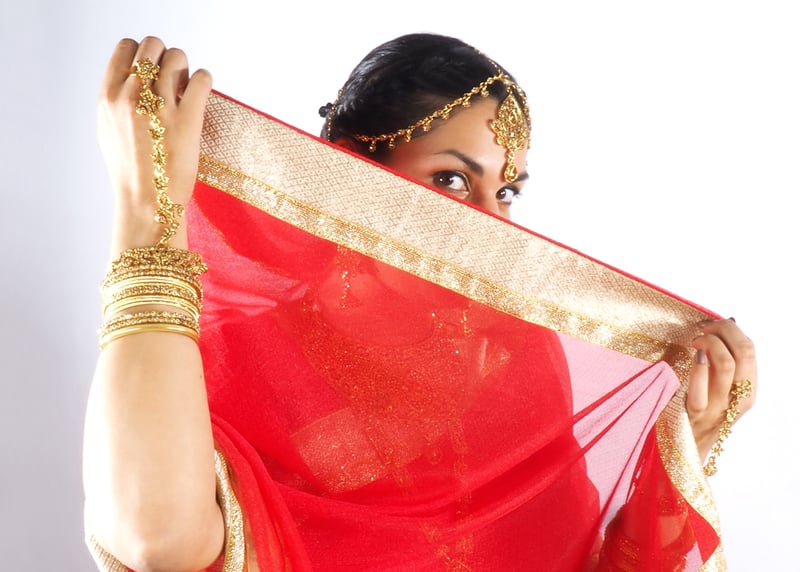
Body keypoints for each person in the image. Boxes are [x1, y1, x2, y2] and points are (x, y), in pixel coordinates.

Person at [83, 33, 757, 571]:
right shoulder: (240, 362)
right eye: (453, 182)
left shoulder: (515, 364)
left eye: (507, 193)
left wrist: (682, 447)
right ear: (354, 182)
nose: (492, 228)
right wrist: (149, 217)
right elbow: (157, 542)